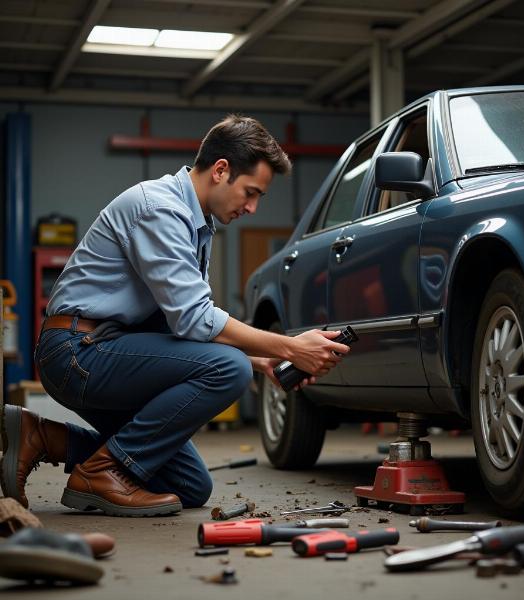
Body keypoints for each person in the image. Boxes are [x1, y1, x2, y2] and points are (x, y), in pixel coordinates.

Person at [0, 115, 350, 517]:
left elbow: (177, 323)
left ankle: (42, 436)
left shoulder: (197, 224)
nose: (252, 207)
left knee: (189, 485)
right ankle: (103, 472)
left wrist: (264, 361)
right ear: (221, 170)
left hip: (108, 351)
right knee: (229, 369)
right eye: (250, 192)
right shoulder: (160, 209)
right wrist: (290, 345)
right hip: (77, 353)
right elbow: (194, 320)